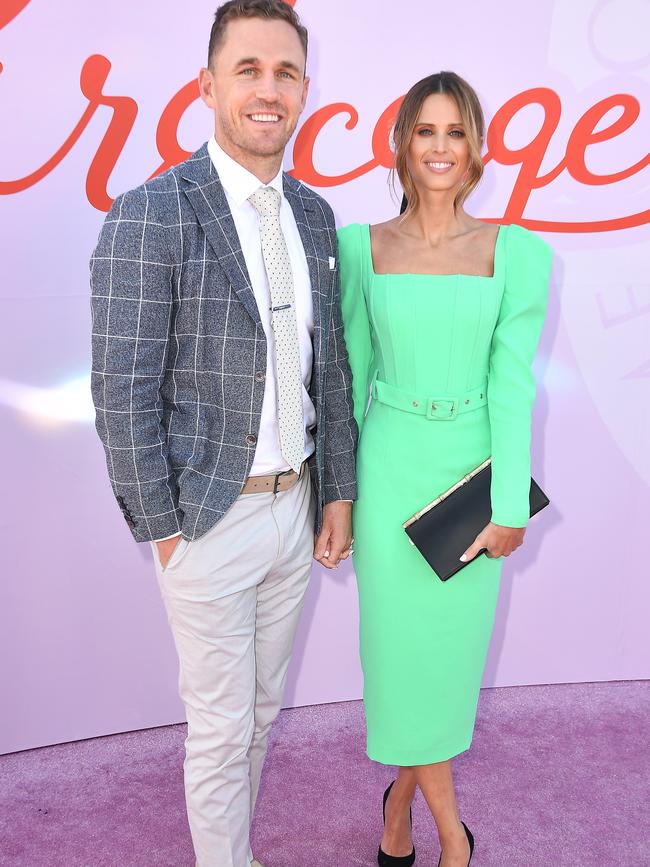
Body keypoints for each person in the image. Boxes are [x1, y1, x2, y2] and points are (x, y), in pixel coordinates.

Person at [89, 2, 356, 865]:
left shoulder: (315, 219)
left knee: (263, 712)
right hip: (204, 519)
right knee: (220, 727)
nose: (268, 90)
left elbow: (333, 373)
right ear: (208, 85)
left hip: (294, 510)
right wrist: (161, 526)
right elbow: (120, 388)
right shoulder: (151, 213)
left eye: (284, 72)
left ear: (305, 90)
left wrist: (337, 491)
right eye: (248, 70)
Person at [338, 71, 552, 867]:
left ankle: (399, 807)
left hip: (470, 483)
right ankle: (454, 842)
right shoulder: (361, 248)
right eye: (424, 131)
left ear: (477, 150)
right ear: (400, 146)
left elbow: (513, 384)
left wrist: (510, 504)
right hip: (388, 471)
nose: (438, 147)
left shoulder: (515, 252)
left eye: (454, 131)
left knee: (444, 670)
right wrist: (339, 497)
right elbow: (350, 380)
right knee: (397, 664)